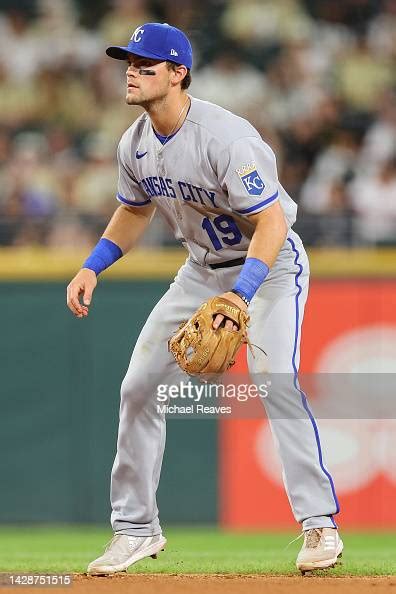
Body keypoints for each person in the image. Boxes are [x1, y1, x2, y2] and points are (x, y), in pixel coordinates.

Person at [66, 23, 343, 575]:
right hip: (200, 272)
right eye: (129, 62)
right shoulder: (135, 142)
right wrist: (92, 265)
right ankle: (135, 530)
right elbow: (134, 209)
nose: (132, 70)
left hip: (269, 268)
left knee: (275, 381)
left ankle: (319, 524)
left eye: (146, 64)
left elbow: (269, 223)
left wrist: (242, 296)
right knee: (138, 386)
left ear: (178, 73)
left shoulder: (225, 137)